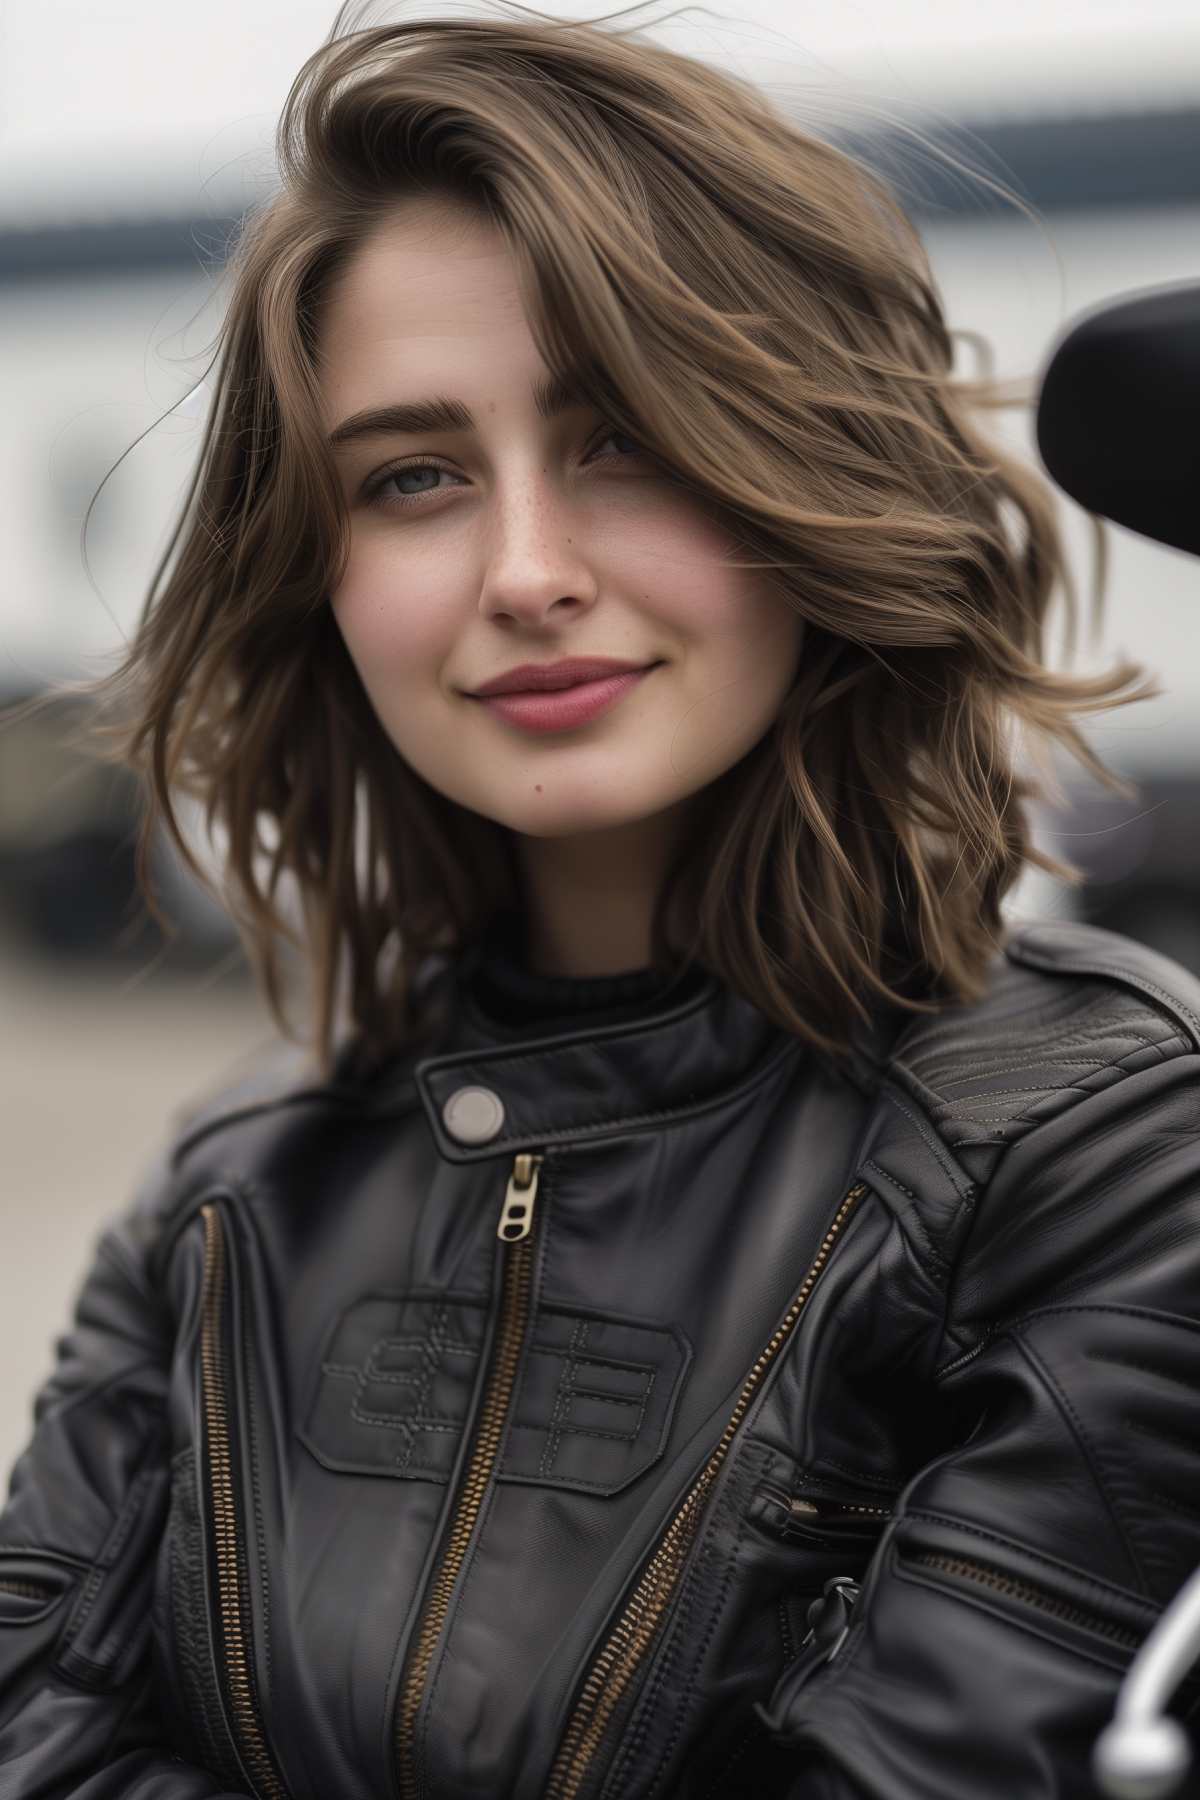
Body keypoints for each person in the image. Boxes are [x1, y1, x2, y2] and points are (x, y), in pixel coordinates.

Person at [3, 5, 1199, 1796]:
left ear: (812, 472)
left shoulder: (1104, 1151)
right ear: (314, 574)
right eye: (413, 477)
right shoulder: (238, 1183)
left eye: (624, 440)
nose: (529, 572)